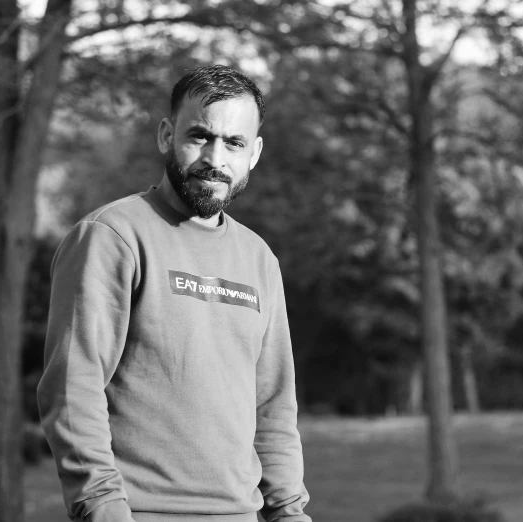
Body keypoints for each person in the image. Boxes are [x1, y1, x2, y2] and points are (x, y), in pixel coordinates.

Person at [38, 64, 311, 522]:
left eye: (234, 143)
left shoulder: (259, 259)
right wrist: (103, 509)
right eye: (200, 136)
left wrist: (288, 512)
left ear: (255, 153)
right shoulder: (113, 236)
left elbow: (273, 408)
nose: (215, 159)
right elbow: (72, 390)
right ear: (167, 135)